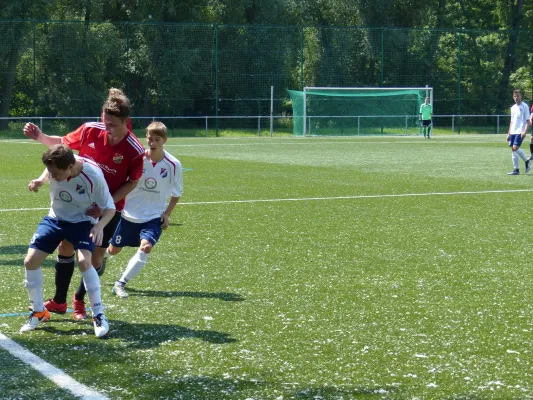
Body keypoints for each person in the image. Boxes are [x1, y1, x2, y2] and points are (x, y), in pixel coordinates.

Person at [23, 89, 145, 319]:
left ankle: (78, 300)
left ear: (126, 122)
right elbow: (63, 147)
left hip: (109, 208)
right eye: (105, 122)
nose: (107, 129)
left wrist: (107, 204)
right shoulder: (90, 130)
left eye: (113, 125)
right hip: (79, 204)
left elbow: (133, 182)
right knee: (65, 247)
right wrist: (41, 137)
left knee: (93, 259)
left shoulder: (134, 149)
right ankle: (59, 301)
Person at [21, 145, 115, 337]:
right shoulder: (58, 164)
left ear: (70, 167)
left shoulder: (93, 176)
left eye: (56, 174)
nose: (53, 177)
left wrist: (99, 226)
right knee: (30, 261)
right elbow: (50, 169)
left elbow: (110, 208)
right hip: (55, 218)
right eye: (51, 172)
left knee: (83, 261)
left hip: (82, 221)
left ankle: (99, 315)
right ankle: (39, 312)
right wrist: (41, 180)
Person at [109, 122, 183, 298]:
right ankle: (101, 258)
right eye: (150, 138)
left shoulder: (174, 164)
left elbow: (176, 193)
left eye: (157, 139)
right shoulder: (137, 159)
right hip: (128, 214)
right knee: (113, 250)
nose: (152, 142)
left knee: (146, 247)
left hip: (153, 217)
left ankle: (120, 283)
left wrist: (166, 214)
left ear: (164, 140)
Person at [506, 89, 531, 175]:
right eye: (515, 96)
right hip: (513, 131)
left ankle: (527, 161)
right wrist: (508, 133)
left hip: (520, 131)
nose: (516, 98)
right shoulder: (513, 108)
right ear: (513, 97)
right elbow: (512, 121)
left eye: (518, 96)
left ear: (521, 96)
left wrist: (525, 131)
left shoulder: (525, 106)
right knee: (513, 150)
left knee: (515, 148)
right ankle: (516, 169)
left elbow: (528, 121)